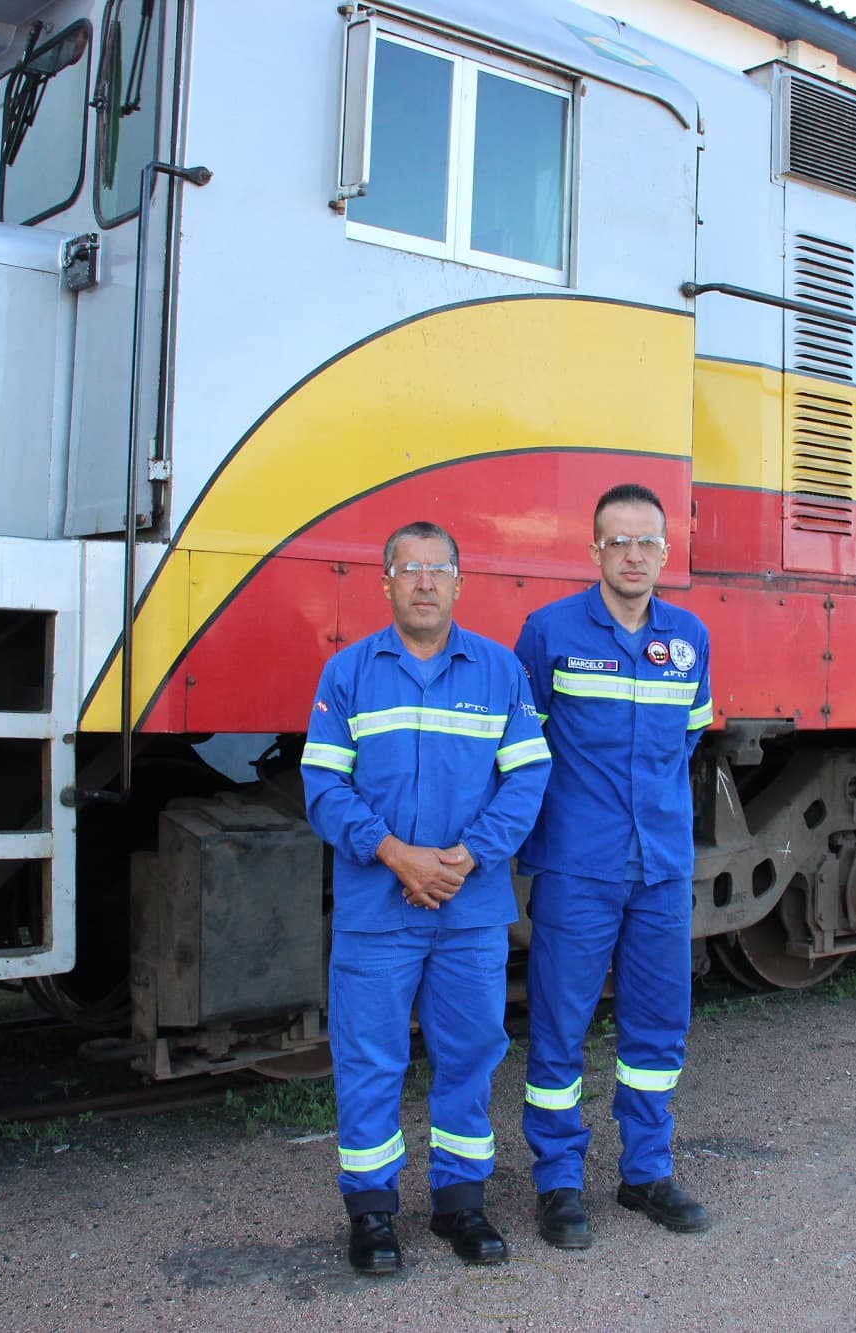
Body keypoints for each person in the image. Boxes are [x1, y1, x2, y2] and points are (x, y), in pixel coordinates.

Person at [301, 521, 551, 1275]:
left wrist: (467, 854)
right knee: (370, 1059)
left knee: (469, 1054)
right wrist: (394, 852)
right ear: (386, 583)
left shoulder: (500, 673)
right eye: (408, 568)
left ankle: (460, 1205)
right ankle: (372, 1213)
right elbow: (321, 785)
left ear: (458, 582)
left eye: (437, 568)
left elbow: (528, 777)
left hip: (469, 909)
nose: (423, 581)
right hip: (380, 909)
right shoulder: (347, 675)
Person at [514, 482, 714, 1248]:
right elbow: (524, 747)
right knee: (561, 1028)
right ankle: (559, 1182)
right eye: (619, 542)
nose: (634, 555)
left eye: (648, 542)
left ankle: (646, 1173)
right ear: (594, 550)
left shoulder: (689, 637)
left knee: (659, 1026)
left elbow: (689, 739)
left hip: (660, 867)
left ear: (666, 551)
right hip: (576, 866)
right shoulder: (549, 631)